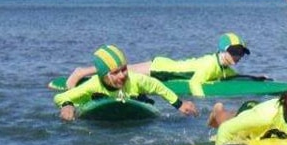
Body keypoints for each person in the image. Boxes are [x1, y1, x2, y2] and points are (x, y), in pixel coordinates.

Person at [65, 33, 253, 97]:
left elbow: (228, 75)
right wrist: (203, 100)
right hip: (162, 70)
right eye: (235, 52)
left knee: (125, 70)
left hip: (167, 65)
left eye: (241, 53)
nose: (238, 57)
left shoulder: (222, 67)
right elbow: (194, 83)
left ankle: (86, 72)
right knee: (125, 70)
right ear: (222, 51)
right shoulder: (211, 65)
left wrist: (257, 79)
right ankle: (83, 72)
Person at [55, 45, 199, 121]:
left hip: (135, 100)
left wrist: (180, 105)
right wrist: (67, 106)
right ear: (103, 76)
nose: (122, 75)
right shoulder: (94, 84)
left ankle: (139, 99)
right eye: (115, 72)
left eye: (124, 69)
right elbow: (59, 97)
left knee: (142, 97)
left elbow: (158, 87)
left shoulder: (136, 79)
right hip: (100, 103)